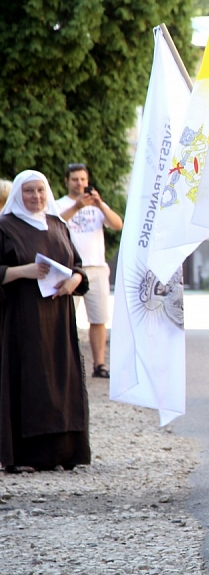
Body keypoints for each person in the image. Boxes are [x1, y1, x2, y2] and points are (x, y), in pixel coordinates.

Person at [0, 170, 90, 472]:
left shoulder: (58, 225)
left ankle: (63, 451)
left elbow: (77, 265)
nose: (36, 197)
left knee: (61, 378)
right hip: (22, 319)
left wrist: (73, 280)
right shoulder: (6, 227)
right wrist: (22, 272)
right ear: (18, 195)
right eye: (28, 191)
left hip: (59, 318)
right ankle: (25, 456)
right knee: (30, 380)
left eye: (40, 190)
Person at [56, 163, 123, 378]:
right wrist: (76, 207)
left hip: (97, 267)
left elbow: (117, 224)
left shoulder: (96, 206)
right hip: (69, 268)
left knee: (99, 318)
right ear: (67, 181)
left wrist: (100, 204)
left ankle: (100, 364)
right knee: (65, 318)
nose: (80, 183)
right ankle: (64, 363)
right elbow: (54, 224)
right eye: (75, 179)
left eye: (83, 179)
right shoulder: (59, 205)